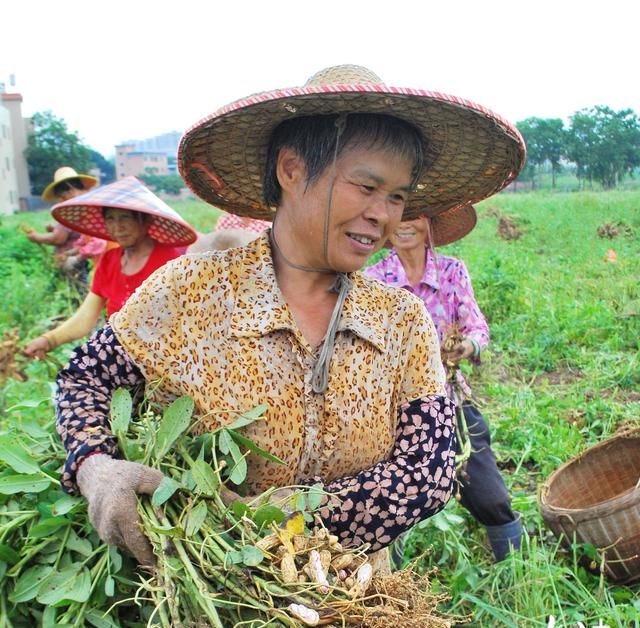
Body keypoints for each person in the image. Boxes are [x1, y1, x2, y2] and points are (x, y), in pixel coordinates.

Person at [53, 64, 525, 568]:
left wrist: (285, 515)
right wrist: (95, 464)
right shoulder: (190, 292)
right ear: (292, 170)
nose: (383, 214)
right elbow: (86, 379)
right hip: (211, 588)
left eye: (397, 196)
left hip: (352, 594)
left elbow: (427, 472)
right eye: (366, 187)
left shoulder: (399, 318)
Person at [364, 205, 523, 562]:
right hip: (395, 411)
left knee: (489, 495)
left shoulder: (452, 271)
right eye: (398, 215)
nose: (406, 224)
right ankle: (392, 580)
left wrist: (468, 345)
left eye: (416, 215)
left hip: (450, 398)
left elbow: (478, 328)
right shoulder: (374, 280)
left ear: (430, 221)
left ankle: (517, 571)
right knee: (393, 502)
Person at [23, 176, 196, 359]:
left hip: (165, 354)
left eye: (125, 218)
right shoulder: (108, 261)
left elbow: (187, 320)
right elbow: (86, 317)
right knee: (77, 375)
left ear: (145, 221)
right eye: (110, 219)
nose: (117, 227)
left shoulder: (170, 261)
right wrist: (49, 340)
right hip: (122, 352)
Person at [25, 167, 107, 284]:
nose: (60, 199)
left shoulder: (78, 210)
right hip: (84, 259)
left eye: (61, 194)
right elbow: (82, 238)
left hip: (96, 261)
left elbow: (59, 238)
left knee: (84, 289)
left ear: (71, 190)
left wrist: (35, 237)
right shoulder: (79, 208)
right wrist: (70, 253)